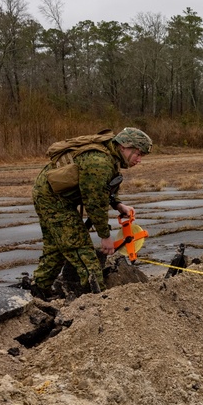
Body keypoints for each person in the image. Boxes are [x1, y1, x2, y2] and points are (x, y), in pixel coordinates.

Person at [31, 127, 152, 298]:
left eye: (142, 156)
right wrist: (105, 236)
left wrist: (118, 204)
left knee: (57, 249)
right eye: (138, 154)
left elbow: (104, 188)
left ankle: (38, 291)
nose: (139, 160)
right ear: (124, 147)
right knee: (82, 251)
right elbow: (94, 202)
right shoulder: (100, 162)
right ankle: (97, 300)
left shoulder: (111, 156)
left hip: (53, 197)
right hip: (53, 201)